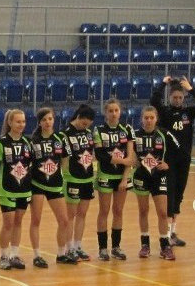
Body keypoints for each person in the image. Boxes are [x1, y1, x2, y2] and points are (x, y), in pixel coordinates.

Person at [154, 75, 195, 247]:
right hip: (169, 161)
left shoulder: (188, 113)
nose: (177, 100)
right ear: (170, 97)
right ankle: (166, 234)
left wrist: (191, 89)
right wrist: (163, 84)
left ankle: (173, 233)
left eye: (180, 97)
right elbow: (154, 101)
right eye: (174, 97)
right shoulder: (165, 112)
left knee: (179, 196)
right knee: (169, 196)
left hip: (184, 160)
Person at [26, 107, 73, 267]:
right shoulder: (33, 141)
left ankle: (61, 254)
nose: (48, 122)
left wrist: (61, 172)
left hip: (55, 184)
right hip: (37, 184)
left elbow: (65, 158)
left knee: (64, 221)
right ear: (39, 122)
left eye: (50, 119)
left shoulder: (60, 138)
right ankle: (37, 255)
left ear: (54, 120)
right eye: (44, 119)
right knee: (36, 220)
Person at [131, 105, 178, 260]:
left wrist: (168, 164)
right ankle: (145, 244)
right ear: (141, 119)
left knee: (163, 212)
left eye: (152, 117)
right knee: (143, 211)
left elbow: (179, 150)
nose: (149, 120)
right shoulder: (135, 135)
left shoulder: (163, 134)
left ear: (156, 119)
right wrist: (132, 161)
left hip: (159, 177)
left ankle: (165, 245)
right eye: (146, 118)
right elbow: (127, 153)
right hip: (141, 177)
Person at [0, 108, 33, 270]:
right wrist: (7, 178)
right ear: (10, 122)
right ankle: (3, 256)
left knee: (18, 222)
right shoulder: (1, 143)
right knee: (8, 223)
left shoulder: (27, 142)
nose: (21, 124)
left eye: (23, 121)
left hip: (24, 189)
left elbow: (30, 164)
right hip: (7, 189)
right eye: (18, 121)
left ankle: (14, 255)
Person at [92, 100, 134, 261]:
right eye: (110, 111)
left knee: (118, 211)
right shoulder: (99, 130)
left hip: (121, 177)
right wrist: (122, 161)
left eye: (116, 110)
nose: (114, 113)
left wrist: (124, 179)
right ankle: (102, 249)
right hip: (105, 175)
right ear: (105, 112)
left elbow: (131, 157)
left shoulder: (127, 129)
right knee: (104, 211)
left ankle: (116, 247)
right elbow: (100, 155)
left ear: (120, 112)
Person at [61, 105, 98, 261]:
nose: (85, 126)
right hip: (72, 178)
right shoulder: (65, 134)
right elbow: (63, 159)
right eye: (83, 123)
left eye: (88, 124)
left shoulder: (89, 133)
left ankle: (78, 246)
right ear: (78, 117)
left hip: (87, 178)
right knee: (70, 215)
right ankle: (68, 248)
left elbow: (92, 154)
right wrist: (66, 174)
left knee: (82, 214)